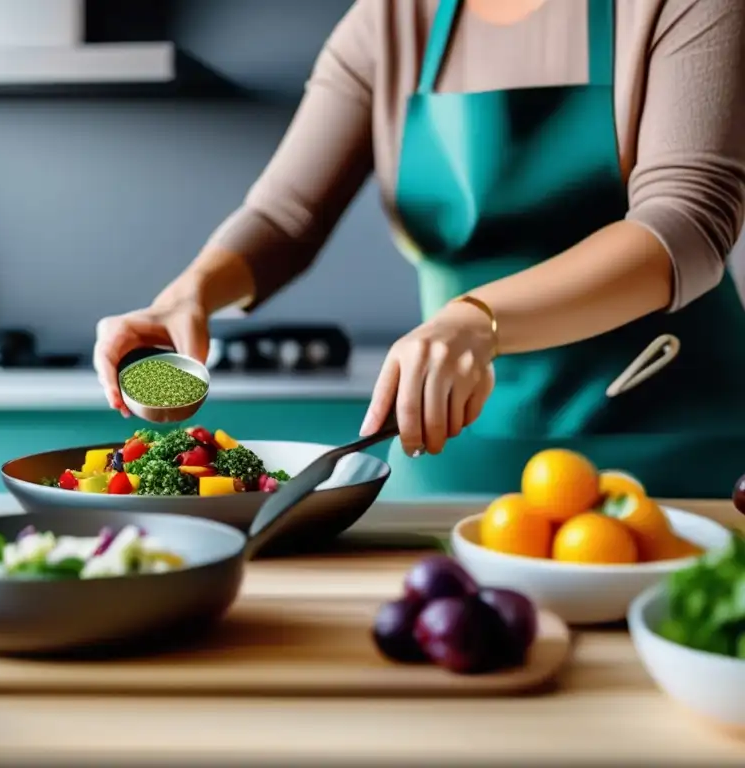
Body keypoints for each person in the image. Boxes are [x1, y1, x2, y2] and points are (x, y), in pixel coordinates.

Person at [94, 0, 745, 499]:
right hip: (448, 446)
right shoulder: (392, 18)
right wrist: (191, 294)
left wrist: (475, 319)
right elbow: (285, 215)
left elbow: (685, 220)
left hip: (668, 444)